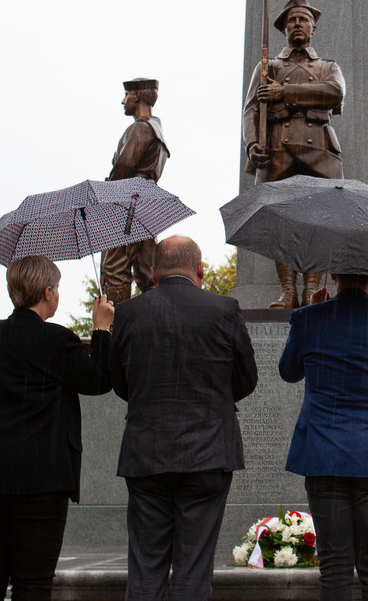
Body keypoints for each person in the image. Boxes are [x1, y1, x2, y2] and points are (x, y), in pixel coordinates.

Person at [0, 256, 114, 600]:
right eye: (58, 290)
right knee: (32, 584)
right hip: (38, 481)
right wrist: (101, 329)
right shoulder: (56, 339)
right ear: (48, 291)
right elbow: (98, 380)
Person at [110, 236, 259, 600]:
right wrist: (213, 403)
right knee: (193, 571)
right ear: (200, 270)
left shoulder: (129, 312)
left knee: (145, 570)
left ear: (154, 272)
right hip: (208, 453)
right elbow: (247, 379)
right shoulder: (225, 309)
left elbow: (118, 381)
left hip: (147, 453)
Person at [279, 274, 368, 601]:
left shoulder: (308, 318)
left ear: (334, 276)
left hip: (322, 453)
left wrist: (308, 318)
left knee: (333, 566)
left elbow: (288, 372)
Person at [242, 0, 345, 308]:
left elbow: (334, 92)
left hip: (319, 150)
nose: (297, 25)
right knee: (279, 224)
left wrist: (284, 92)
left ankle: (313, 291)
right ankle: (288, 291)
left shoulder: (328, 66)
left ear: (312, 29)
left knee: (320, 223)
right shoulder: (268, 67)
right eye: (291, 21)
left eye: (303, 20)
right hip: (278, 150)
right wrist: (252, 145)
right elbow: (250, 110)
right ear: (284, 30)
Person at [101, 77, 171, 305]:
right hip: (147, 202)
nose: (123, 101)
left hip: (128, 201)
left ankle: (114, 328)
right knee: (147, 271)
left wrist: (107, 194)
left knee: (114, 267)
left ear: (138, 96)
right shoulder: (157, 128)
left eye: (127, 96)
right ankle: (154, 325)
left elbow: (124, 166)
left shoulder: (140, 128)